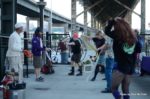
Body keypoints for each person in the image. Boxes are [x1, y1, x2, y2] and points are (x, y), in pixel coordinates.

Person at [105, 18, 141, 99]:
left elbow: (107, 31)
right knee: (125, 89)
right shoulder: (134, 38)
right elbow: (138, 50)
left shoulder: (117, 36)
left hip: (120, 66)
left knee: (113, 88)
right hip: (130, 67)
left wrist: (111, 23)